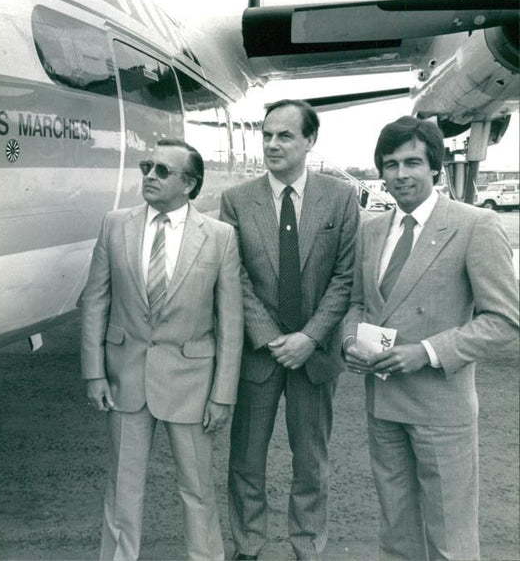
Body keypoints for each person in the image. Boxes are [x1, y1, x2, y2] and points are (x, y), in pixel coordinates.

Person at [342, 116, 519, 561]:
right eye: (390, 164)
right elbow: (358, 304)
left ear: (435, 167)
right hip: (383, 404)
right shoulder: (371, 230)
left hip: (441, 407)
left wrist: (426, 352)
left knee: (449, 538)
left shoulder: (475, 225)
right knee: (397, 532)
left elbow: (505, 319)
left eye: (412, 163)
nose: (400, 175)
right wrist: (349, 343)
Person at [80, 138, 243, 561]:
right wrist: (94, 372)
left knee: (198, 490)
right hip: (125, 378)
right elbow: (95, 300)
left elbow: (230, 322)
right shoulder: (115, 224)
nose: (150, 176)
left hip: (191, 383)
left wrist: (222, 394)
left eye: (162, 171)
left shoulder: (220, 237)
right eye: (146, 166)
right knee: (122, 487)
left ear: (189, 185)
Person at [220, 99, 359, 560]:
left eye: (285, 135)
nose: (273, 144)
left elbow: (344, 277)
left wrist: (310, 337)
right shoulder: (237, 200)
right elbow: (233, 274)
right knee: (245, 462)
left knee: (311, 463)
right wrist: (269, 337)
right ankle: (248, 545)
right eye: (267, 135)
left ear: (310, 141)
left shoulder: (339, 198)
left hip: (315, 356)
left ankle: (307, 547)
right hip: (260, 354)